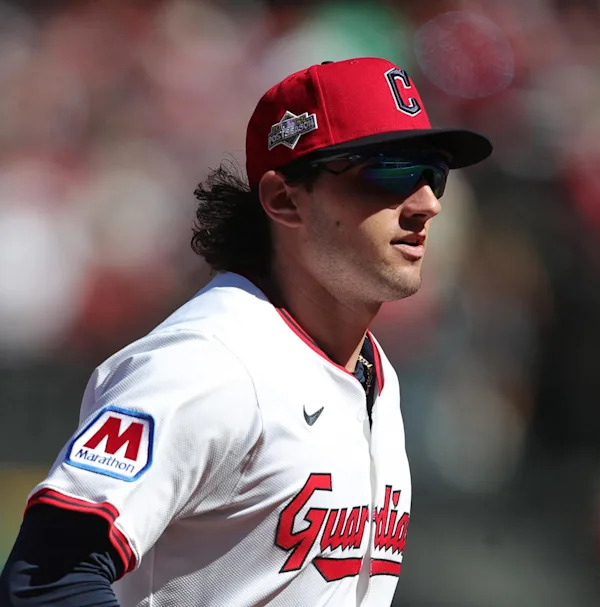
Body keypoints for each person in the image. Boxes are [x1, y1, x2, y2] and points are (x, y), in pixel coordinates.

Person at [0, 57, 492, 607]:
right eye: (391, 170)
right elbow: (45, 580)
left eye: (433, 173)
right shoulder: (207, 364)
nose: (426, 203)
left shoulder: (374, 371)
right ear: (284, 199)